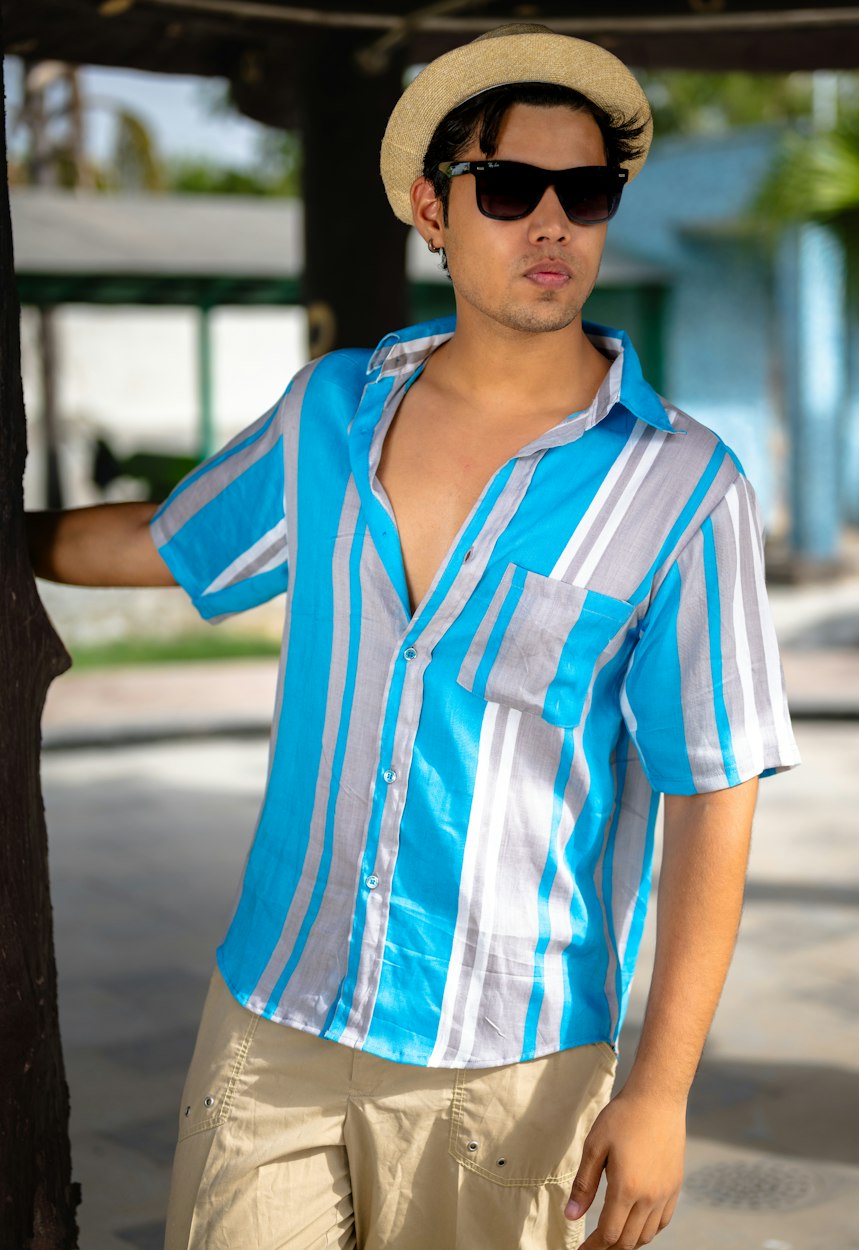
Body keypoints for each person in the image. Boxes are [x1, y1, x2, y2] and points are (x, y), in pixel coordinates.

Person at [26, 23, 800, 1250]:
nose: (551, 223)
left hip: (514, 1063)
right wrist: (17, 536)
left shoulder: (688, 489)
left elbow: (717, 792)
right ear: (431, 211)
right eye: (509, 188)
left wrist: (658, 1091)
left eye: (585, 192)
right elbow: (166, 540)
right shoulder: (330, 410)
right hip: (276, 1016)